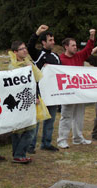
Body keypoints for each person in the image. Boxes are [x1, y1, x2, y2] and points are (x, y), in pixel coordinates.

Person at [57, 29, 96, 149]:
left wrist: (92, 36)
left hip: (79, 92)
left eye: (76, 45)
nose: (75, 47)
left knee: (79, 115)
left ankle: (78, 138)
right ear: (66, 47)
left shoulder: (79, 56)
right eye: (73, 45)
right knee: (66, 116)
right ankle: (62, 139)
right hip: (67, 93)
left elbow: (88, 49)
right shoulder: (60, 60)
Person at [27, 24, 61, 153]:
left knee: (50, 119)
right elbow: (30, 46)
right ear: (43, 42)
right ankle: (31, 145)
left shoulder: (56, 56)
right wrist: (36, 33)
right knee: (37, 120)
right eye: (50, 40)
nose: (53, 42)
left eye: (53, 40)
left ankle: (46, 143)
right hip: (40, 92)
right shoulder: (38, 54)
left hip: (52, 92)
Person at [8, 40, 43, 164]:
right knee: (21, 130)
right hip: (19, 102)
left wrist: (35, 96)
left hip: (30, 99)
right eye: (21, 49)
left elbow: (34, 82)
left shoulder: (28, 64)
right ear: (15, 52)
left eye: (25, 48)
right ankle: (18, 154)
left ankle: (18, 154)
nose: (25, 50)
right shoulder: (13, 67)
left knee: (29, 128)